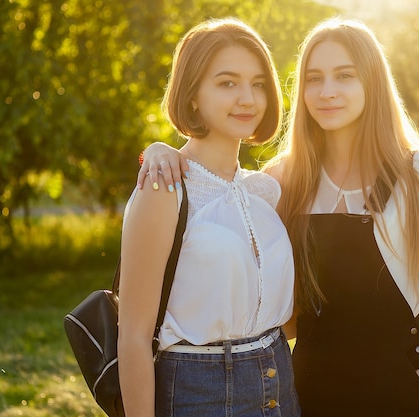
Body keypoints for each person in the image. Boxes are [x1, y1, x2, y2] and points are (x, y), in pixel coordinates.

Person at [138, 17, 419, 417]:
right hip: (306, 392)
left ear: (372, 83)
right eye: (314, 78)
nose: (327, 92)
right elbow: (274, 306)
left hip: (404, 391)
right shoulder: (280, 181)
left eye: (344, 76)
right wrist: (161, 150)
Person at [119, 18, 299, 417]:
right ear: (193, 94)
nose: (248, 99)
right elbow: (132, 335)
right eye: (227, 83)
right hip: (199, 392)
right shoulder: (163, 187)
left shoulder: (265, 191)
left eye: (258, 84)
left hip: (279, 384)